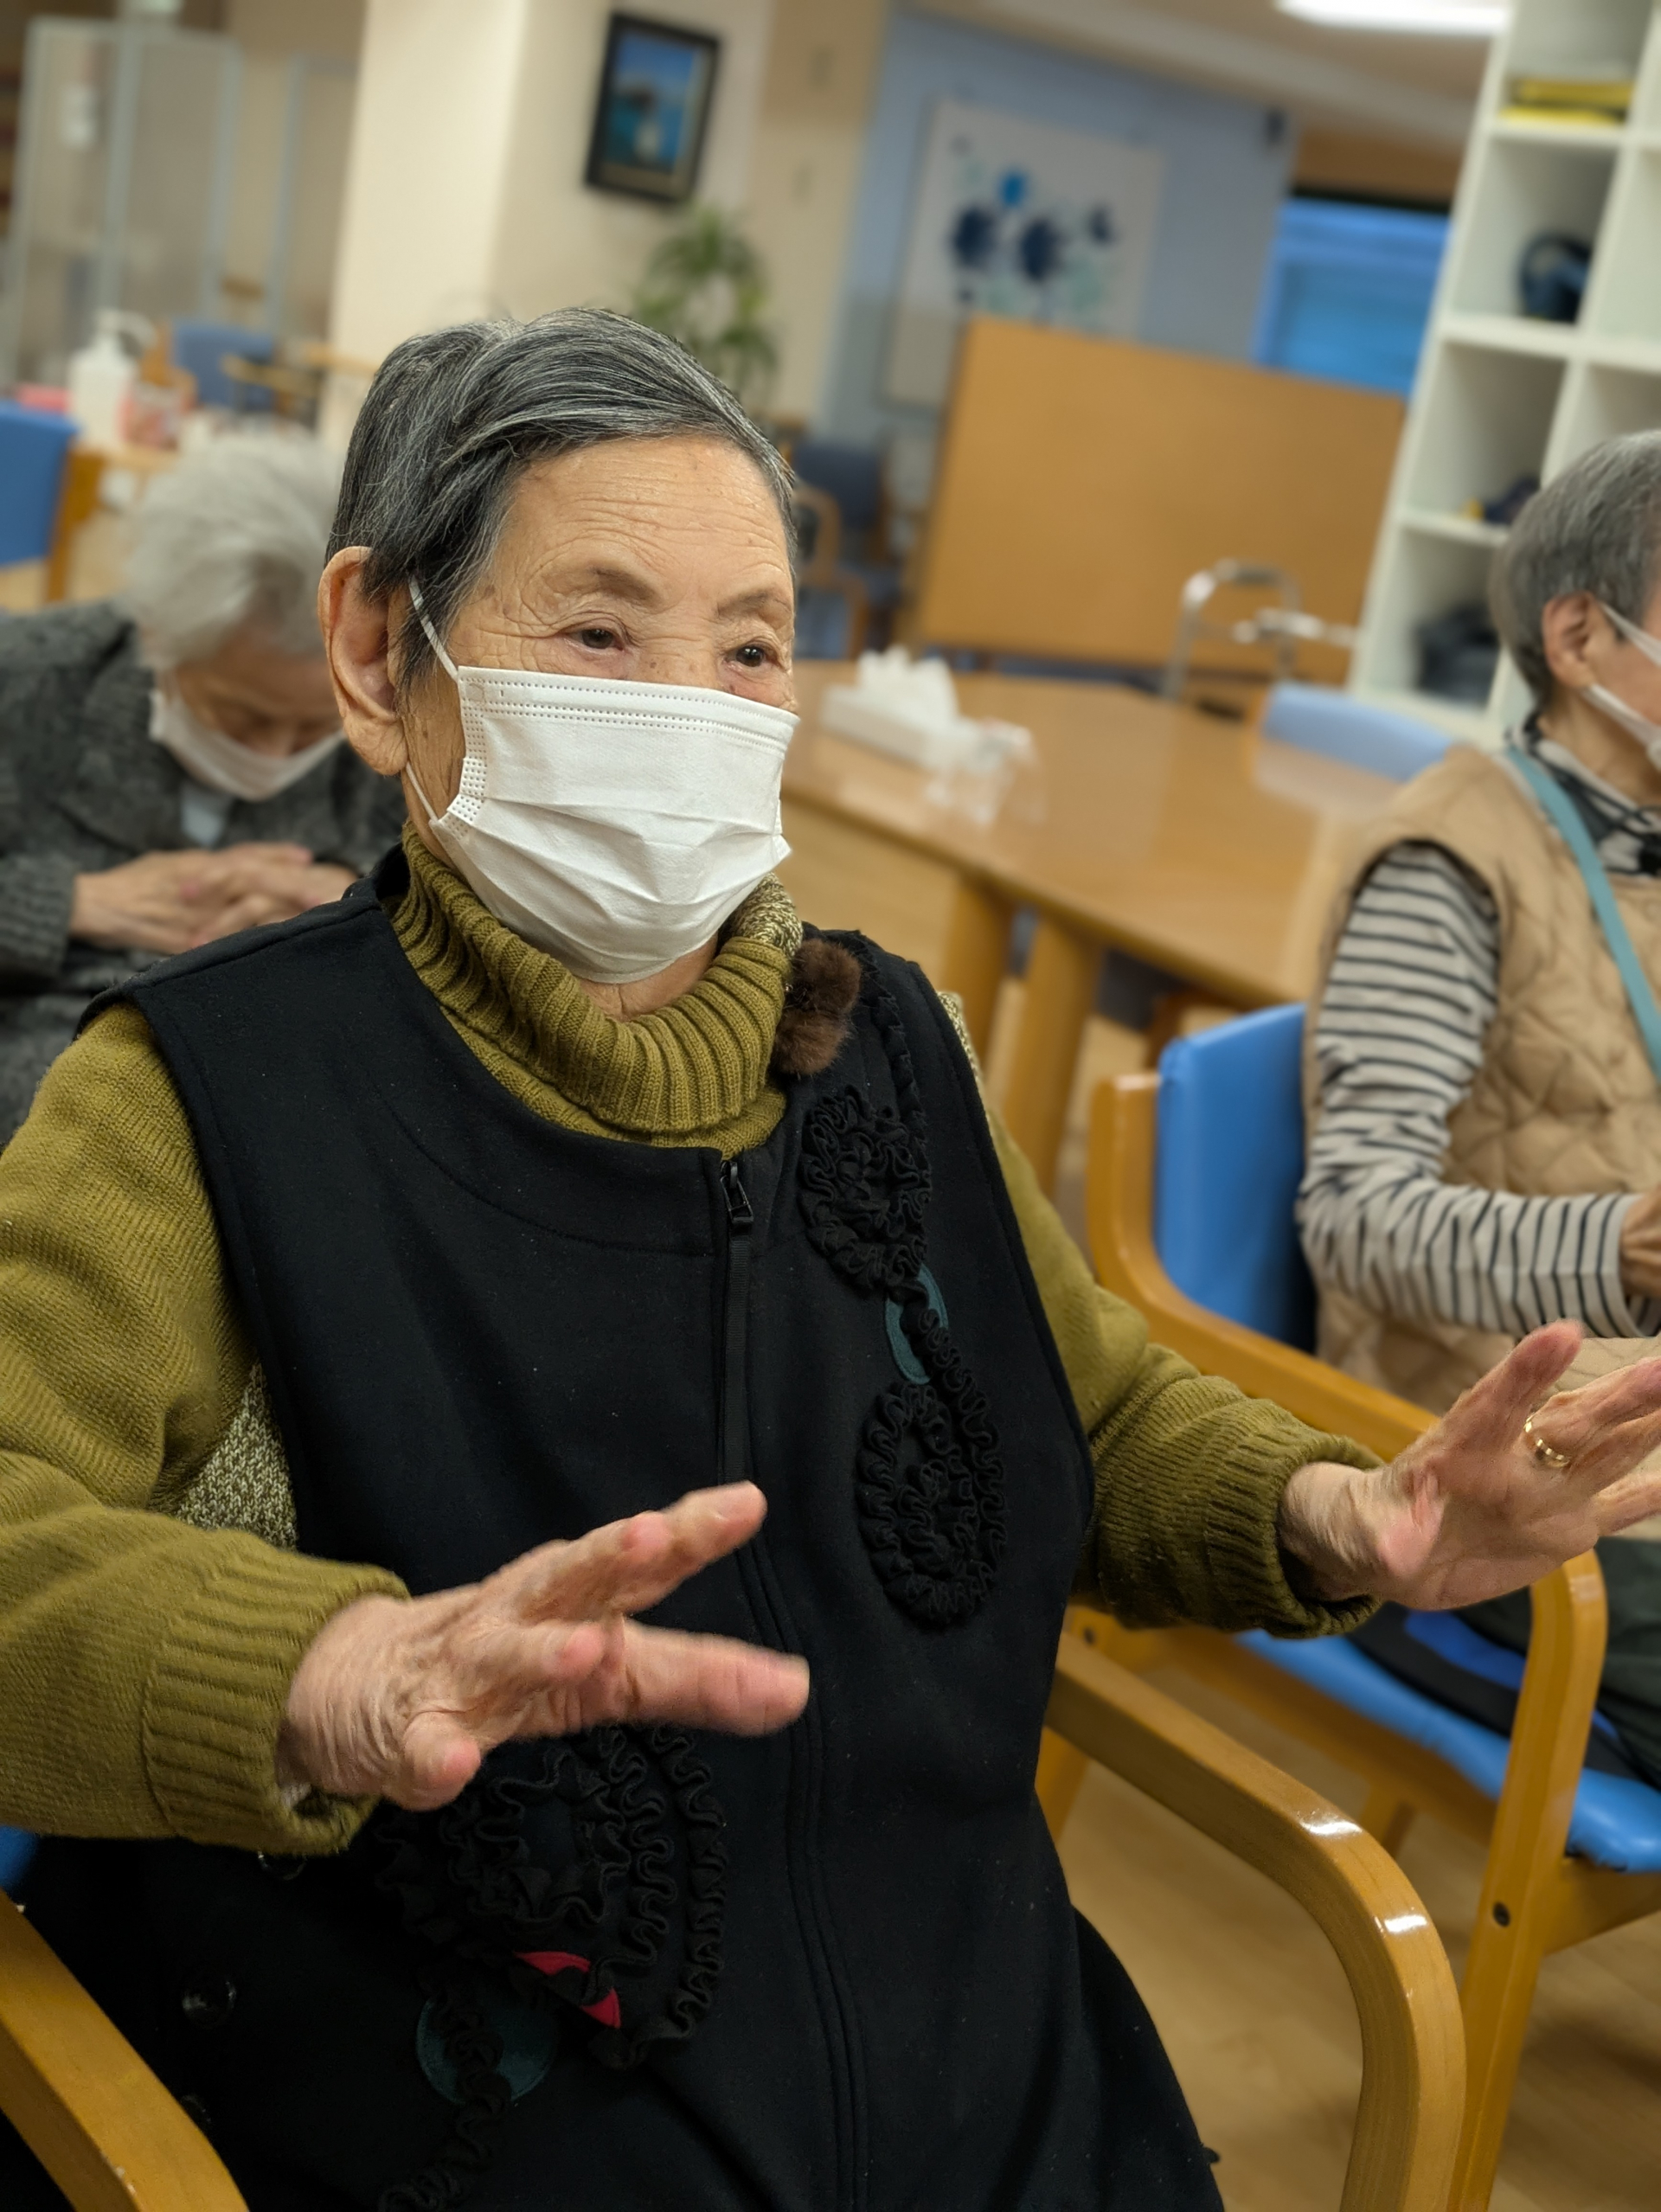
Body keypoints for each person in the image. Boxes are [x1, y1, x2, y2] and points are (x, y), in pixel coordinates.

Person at [1, 314, 1658, 2212]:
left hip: (987, 2061)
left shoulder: (891, 1044)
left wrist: (1340, 1515)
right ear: (382, 653)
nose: (689, 707)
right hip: (475, 2102)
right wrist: (331, 1670)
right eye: (600, 633)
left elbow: (1091, 1409)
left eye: (752, 648)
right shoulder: (201, 1099)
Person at [1299, 433, 1661, 1783]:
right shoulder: (1450, 862)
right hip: (1513, 1458)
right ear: (1579, 637)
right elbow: (1355, 1218)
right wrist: (1617, 1246)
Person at [0, 435, 406, 1140]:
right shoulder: (28, 682)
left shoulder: (393, 711)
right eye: (243, 717)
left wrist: (356, 902)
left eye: (317, 726)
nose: (275, 754)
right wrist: (67, 905)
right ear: (158, 637)